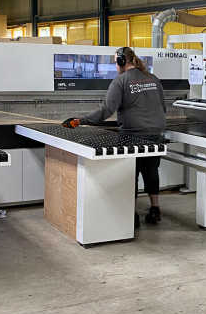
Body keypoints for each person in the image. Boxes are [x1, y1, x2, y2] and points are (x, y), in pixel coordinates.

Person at [62, 47, 166, 228]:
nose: (114, 65)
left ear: (121, 61)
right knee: (151, 170)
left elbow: (106, 110)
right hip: (155, 133)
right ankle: (155, 209)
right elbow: (162, 107)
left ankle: (131, 215)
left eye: (114, 61)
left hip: (134, 134)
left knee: (131, 173)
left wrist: (81, 120)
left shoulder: (121, 81)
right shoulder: (153, 79)